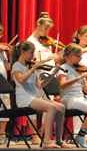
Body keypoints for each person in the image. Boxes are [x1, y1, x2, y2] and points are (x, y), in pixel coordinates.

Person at [10, 40, 73, 148]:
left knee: (61, 107)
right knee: (51, 107)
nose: (33, 56)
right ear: (23, 52)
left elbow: (40, 85)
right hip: (23, 98)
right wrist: (33, 68)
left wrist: (53, 73)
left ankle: (59, 140)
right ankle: (46, 141)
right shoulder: (17, 65)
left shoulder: (30, 67)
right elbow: (20, 80)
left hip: (33, 97)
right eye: (31, 53)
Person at [26, 12, 60, 145]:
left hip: (49, 75)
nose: (47, 32)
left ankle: (43, 134)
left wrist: (57, 55)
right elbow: (30, 61)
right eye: (45, 28)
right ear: (38, 25)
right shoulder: (30, 42)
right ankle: (34, 135)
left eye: (48, 29)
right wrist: (46, 58)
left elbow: (51, 58)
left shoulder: (47, 43)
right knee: (34, 105)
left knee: (50, 104)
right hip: (36, 76)